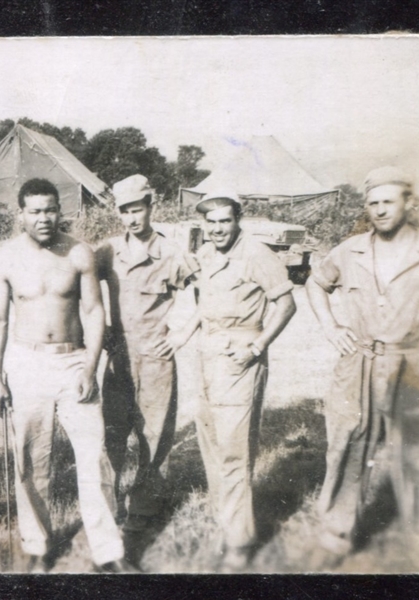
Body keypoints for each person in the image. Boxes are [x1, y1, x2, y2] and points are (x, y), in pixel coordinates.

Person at [0, 178, 134, 573]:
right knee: (31, 458)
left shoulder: (79, 253)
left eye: (50, 209)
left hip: (73, 362)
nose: (43, 218)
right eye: (34, 211)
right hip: (26, 363)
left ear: (60, 210)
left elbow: (93, 311)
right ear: (21, 214)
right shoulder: (5, 258)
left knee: (94, 455)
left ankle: (108, 551)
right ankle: (36, 546)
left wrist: (90, 365)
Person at [169, 189, 296, 571]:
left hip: (240, 359)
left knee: (234, 450)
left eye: (225, 221)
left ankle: (240, 541)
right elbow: (203, 304)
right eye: (211, 223)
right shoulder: (207, 255)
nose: (218, 229)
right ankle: (223, 520)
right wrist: (185, 332)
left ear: (237, 221)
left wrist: (256, 347)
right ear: (203, 226)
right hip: (207, 357)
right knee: (209, 440)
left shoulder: (257, 255)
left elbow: (287, 304)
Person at [308, 166, 419, 566]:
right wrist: (331, 325)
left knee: (417, 449)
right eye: (373, 203)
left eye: (388, 201)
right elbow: (315, 283)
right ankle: (336, 534)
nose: (379, 210)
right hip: (359, 361)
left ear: (408, 204)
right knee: (348, 443)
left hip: (411, 363)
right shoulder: (350, 249)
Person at [95, 174, 198, 540]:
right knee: (112, 433)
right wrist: (99, 330)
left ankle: (144, 507)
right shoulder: (108, 251)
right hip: (119, 355)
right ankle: (108, 505)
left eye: (137, 209)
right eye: (124, 211)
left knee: (154, 435)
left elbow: (204, 290)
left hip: (156, 354)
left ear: (150, 206)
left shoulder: (171, 252)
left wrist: (182, 334)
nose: (131, 218)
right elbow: (80, 286)